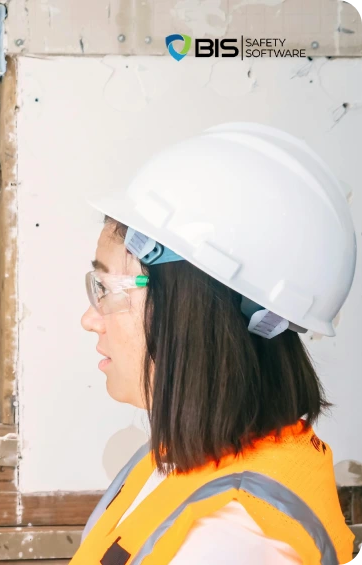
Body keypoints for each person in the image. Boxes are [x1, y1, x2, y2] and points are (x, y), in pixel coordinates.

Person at [73, 123, 357, 565]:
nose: (90, 319)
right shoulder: (182, 459)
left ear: (193, 311)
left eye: (107, 289)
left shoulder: (231, 543)